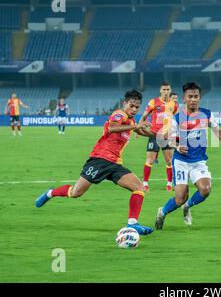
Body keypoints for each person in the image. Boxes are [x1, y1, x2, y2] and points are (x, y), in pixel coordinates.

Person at [34, 89, 154, 235]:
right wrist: (136, 126)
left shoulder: (131, 121)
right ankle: (50, 193)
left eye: (137, 107)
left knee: (139, 188)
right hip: (99, 160)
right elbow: (112, 128)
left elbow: (143, 132)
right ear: (125, 103)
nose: (134, 109)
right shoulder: (119, 114)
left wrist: (160, 135)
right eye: (131, 105)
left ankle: (133, 223)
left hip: (115, 164)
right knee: (76, 192)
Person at [154, 82, 221, 229]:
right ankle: (162, 212)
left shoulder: (206, 113)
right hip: (181, 161)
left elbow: (217, 131)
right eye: (190, 96)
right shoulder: (177, 118)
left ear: (200, 97)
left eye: (196, 96)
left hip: (198, 161)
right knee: (179, 198)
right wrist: (178, 146)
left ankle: (187, 206)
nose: (193, 99)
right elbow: (169, 138)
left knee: (205, 189)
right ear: (184, 98)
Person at [139, 82, 178, 192]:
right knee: (150, 160)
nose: (166, 92)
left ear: (170, 91)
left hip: (166, 136)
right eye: (164, 90)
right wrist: (138, 129)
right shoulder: (153, 102)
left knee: (169, 160)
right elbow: (144, 116)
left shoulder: (174, 104)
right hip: (154, 134)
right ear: (160, 91)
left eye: (168, 90)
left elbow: (177, 119)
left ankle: (169, 184)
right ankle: (145, 183)